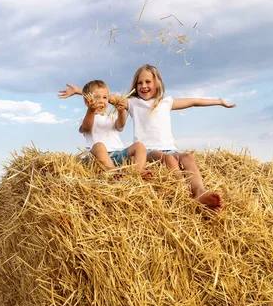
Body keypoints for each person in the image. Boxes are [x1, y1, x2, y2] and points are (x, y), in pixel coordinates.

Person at [58, 64, 236, 211]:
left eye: (148, 81)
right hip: (151, 150)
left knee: (188, 158)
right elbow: (100, 97)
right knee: (169, 161)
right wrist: (79, 91)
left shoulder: (166, 102)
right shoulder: (133, 103)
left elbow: (194, 102)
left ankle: (199, 191)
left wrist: (219, 102)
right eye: (140, 82)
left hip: (169, 148)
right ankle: (184, 198)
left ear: (157, 83)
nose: (144, 85)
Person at [78, 79, 151, 178]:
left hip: (118, 155)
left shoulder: (110, 117)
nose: (101, 101)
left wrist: (121, 112)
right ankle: (113, 171)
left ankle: (139, 171)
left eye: (104, 97)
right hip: (97, 157)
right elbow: (86, 127)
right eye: (96, 97)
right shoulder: (86, 118)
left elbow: (120, 125)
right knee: (99, 145)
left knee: (139, 146)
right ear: (87, 102)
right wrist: (91, 111)